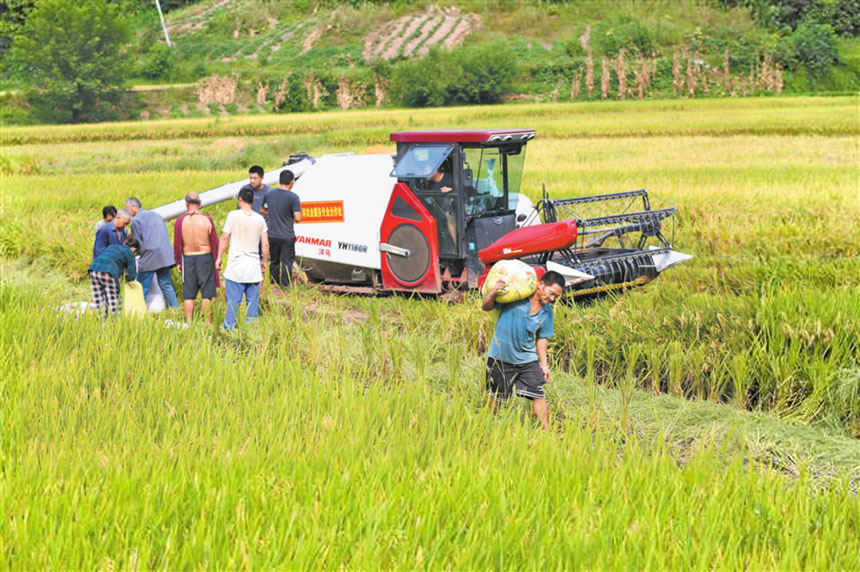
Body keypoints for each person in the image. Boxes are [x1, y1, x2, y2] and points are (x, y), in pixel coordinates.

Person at [481, 270, 566, 430]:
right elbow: (486, 306)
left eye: (556, 296)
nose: (552, 298)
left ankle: (545, 431)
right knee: (495, 398)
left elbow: (542, 338)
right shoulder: (515, 296)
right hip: (500, 357)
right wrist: (493, 292)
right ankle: (487, 428)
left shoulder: (546, 312)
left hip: (527, 359)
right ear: (541, 285)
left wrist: (544, 365)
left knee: (538, 394)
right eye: (551, 293)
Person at [216, 187, 269, 330]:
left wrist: (219, 258)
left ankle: (229, 328)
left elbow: (224, 238)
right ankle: (251, 331)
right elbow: (265, 244)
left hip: (236, 267)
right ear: (252, 201)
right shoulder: (260, 219)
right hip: (253, 268)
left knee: (233, 302)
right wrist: (264, 261)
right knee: (252, 303)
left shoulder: (233, 216)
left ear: (240, 200)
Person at [173, 192, 220, 325]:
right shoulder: (206, 219)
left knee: (188, 293)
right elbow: (214, 243)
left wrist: (178, 261)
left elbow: (177, 244)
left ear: (186, 203)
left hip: (188, 258)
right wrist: (216, 260)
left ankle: (189, 322)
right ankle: (207, 322)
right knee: (207, 293)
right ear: (199, 203)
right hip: (205, 257)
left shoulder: (180, 221)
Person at [125, 196, 179, 308]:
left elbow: (137, 241)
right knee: (166, 284)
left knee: (141, 286)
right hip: (165, 254)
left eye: (127, 209)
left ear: (134, 207)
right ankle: (175, 309)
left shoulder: (136, 220)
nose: (127, 212)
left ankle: (140, 312)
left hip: (150, 255)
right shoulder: (157, 215)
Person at [261, 170, 302, 287]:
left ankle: (274, 284)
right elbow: (298, 218)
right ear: (291, 182)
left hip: (272, 235)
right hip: (287, 236)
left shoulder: (269, 193)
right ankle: (284, 286)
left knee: (274, 261)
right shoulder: (293, 197)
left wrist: (273, 213)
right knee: (286, 263)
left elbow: (262, 209)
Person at [87, 237, 140, 317]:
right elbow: (132, 273)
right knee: (114, 298)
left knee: (99, 298)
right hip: (108, 271)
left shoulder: (112, 246)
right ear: (134, 249)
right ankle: (116, 322)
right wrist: (128, 281)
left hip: (93, 269)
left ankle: (100, 321)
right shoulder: (129, 253)